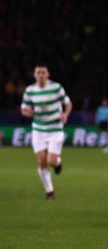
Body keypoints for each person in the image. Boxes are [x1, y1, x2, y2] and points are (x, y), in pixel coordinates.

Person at [20, 64, 72, 199]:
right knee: (41, 160)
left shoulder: (56, 87)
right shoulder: (30, 90)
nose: (41, 75)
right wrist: (28, 112)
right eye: (38, 72)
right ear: (34, 75)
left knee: (51, 161)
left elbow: (68, 103)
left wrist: (65, 114)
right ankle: (49, 191)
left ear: (48, 74)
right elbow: (24, 108)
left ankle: (58, 163)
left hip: (55, 128)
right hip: (38, 129)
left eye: (43, 72)